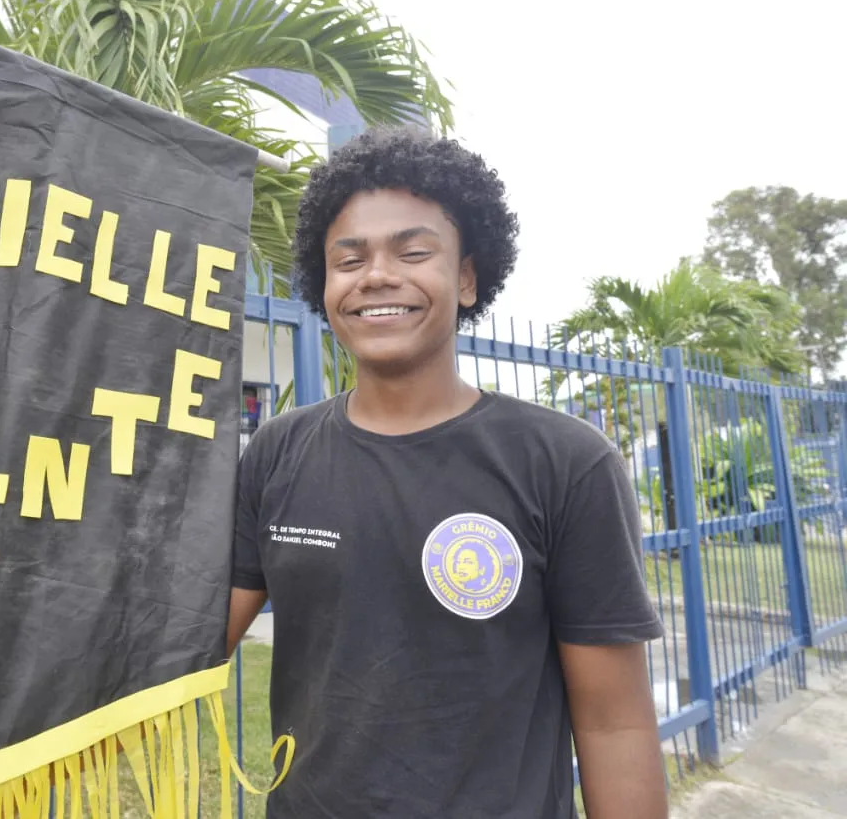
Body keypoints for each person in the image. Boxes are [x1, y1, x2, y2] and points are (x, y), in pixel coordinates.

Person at [226, 126, 668, 819]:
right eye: (349, 259)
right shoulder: (278, 452)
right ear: (323, 284)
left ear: (467, 277)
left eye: (413, 251)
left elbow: (615, 724)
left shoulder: (566, 464)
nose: (376, 276)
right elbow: (189, 642)